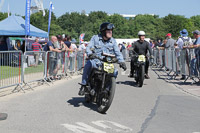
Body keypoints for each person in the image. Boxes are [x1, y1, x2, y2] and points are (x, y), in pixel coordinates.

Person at [78, 22, 127, 95]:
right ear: (103, 31)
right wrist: (90, 54)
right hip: (96, 61)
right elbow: (89, 47)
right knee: (88, 64)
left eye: (111, 30)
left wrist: (122, 61)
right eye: (108, 30)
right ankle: (84, 85)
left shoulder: (113, 41)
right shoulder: (95, 38)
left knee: (115, 71)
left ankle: (107, 89)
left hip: (107, 63)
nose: (110, 32)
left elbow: (118, 52)